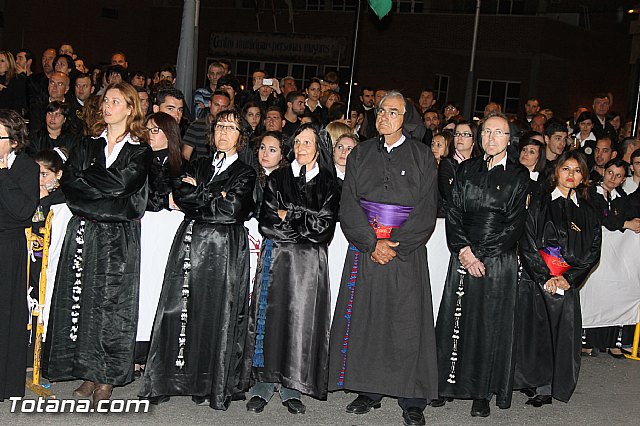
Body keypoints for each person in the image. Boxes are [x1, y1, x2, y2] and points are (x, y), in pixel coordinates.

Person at [327, 91, 439, 426]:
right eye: (380, 111)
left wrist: (396, 243)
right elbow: (348, 204)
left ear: (406, 118)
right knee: (367, 317)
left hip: (405, 252)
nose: (385, 116)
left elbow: (426, 210)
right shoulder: (360, 153)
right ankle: (368, 389)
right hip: (367, 249)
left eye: (393, 111)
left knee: (407, 321)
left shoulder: (421, 156)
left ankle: (412, 397)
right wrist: (370, 241)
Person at [42, 82, 152, 408]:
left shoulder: (140, 149)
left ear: (130, 108)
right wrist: (94, 187)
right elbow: (71, 183)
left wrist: (90, 179)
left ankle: (107, 376)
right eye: (106, 101)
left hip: (118, 236)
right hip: (86, 231)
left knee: (113, 307)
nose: (107, 106)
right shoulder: (88, 143)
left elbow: (123, 185)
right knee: (86, 300)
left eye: (115, 101)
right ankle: (88, 372)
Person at [140, 109, 256, 410]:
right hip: (190, 241)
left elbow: (230, 210)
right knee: (177, 308)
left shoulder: (246, 172)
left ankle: (208, 383)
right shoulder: (198, 164)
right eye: (220, 126)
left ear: (241, 137)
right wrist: (212, 195)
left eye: (231, 128)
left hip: (223, 248)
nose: (223, 132)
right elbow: (182, 197)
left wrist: (200, 193)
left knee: (216, 313)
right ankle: (169, 378)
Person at [435, 112, 530, 417]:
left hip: (497, 259)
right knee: (456, 321)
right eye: (486, 132)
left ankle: (481, 392)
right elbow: (454, 212)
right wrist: (464, 250)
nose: (491, 138)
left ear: (508, 139)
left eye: (498, 133)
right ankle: (447, 384)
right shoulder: (465, 169)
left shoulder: (518, 175)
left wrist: (482, 254)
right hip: (463, 253)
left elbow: (515, 225)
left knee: (489, 325)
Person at [243, 123, 339, 416]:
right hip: (276, 258)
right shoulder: (278, 178)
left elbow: (324, 231)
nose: (301, 147)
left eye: (307, 142)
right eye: (298, 142)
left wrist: (292, 215)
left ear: (319, 147)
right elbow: (268, 223)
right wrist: (303, 222)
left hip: (309, 266)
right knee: (268, 318)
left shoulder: (329, 184)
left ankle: (292, 385)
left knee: (299, 322)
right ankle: (263, 383)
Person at [514, 151, 601, 407]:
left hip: (565, 283)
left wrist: (569, 279)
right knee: (533, 333)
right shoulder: (539, 202)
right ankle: (530, 379)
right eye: (566, 169)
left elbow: (593, 250)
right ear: (556, 172)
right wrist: (544, 276)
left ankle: (550, 386)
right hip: (537, 279)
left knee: (560, 335)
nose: (570, 174)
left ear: (583, 176)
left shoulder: (587, 211)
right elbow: (527, 241)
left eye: (577, 170)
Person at [0, 109, 39, 402]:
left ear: (13, 141)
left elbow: (22, 212)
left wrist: (2, 173)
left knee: (6, 315)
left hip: (8, 249)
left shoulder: (25, 168)